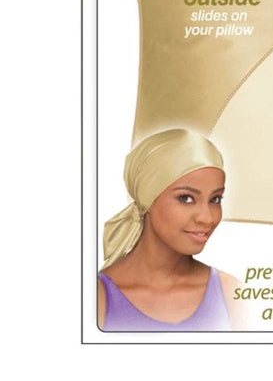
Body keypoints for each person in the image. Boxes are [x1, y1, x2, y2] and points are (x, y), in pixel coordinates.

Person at [98, 128, 241, 331]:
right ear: (147, 199)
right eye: (186, 198)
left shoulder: (232, 294)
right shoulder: (97, 298)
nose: (207, 218)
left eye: (215, 199)